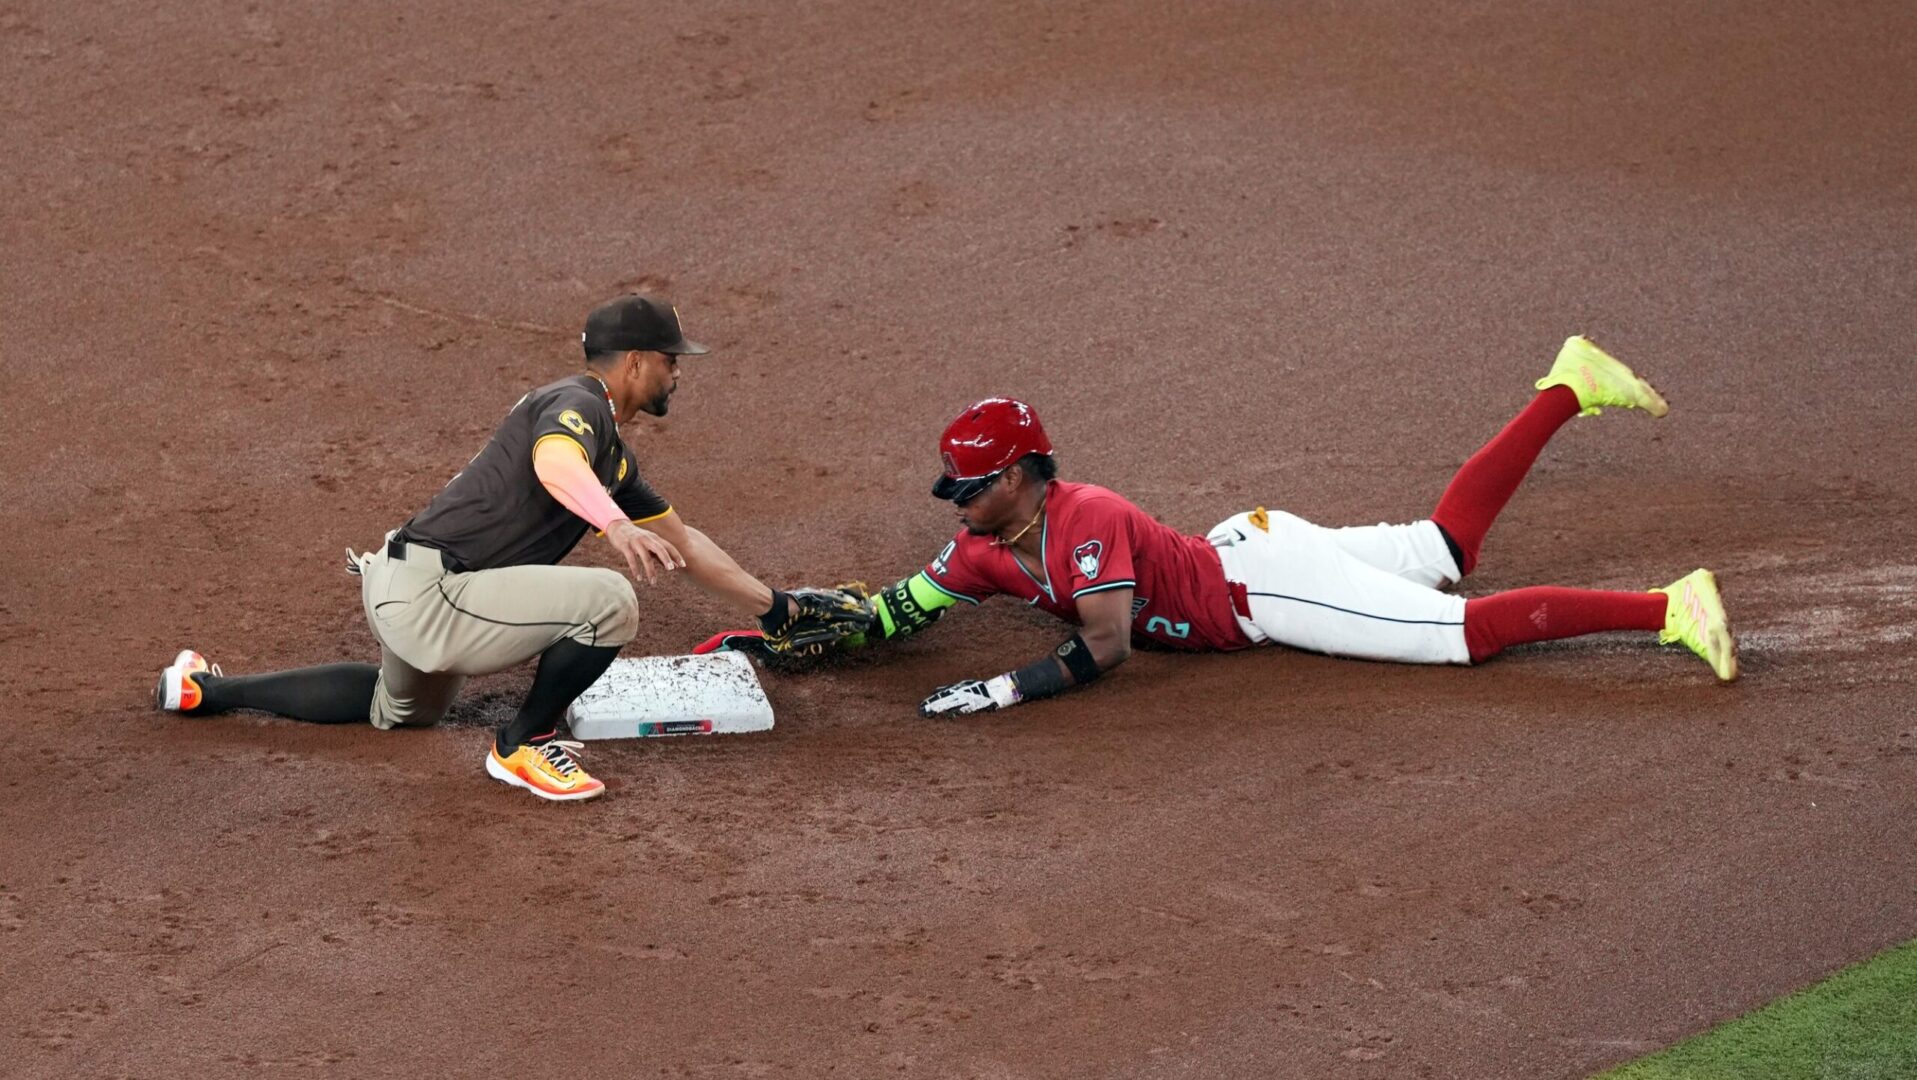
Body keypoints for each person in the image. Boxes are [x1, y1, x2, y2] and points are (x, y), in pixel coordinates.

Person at [703, 336, 1737, 715]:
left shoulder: (1088, 518)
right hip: (1249, 543)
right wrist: (776, 633)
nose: (958, 503)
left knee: (1455, 629)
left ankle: (1668, 609)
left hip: (1260, 588)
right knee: (1439, 553)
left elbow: (1104, 649)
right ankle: (1567, 385)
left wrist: (1010, 685)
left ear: (1021, 477)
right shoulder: (980, 549)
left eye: (971, 486)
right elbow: (895, 615)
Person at [155, 294, 867, 800]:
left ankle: (204, 689)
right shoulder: (577, 403)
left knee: (397, 709)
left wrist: (776, 608)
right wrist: (611, 526)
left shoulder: (612, 457)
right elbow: (554, 465)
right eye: (672, 362)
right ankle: (520, 747)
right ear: (639, 363)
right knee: (609, 601)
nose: (678, 374)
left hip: (411, 589)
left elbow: (685, 544)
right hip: (433, 595)